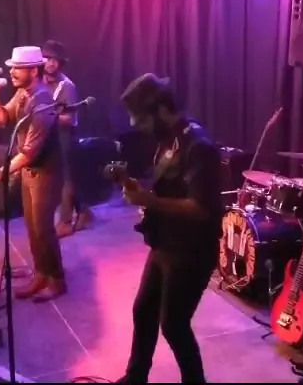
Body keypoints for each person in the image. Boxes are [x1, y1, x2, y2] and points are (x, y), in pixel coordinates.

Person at [115, 73, 222, 384]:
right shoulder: (167, 139)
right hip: (165, 242)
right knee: (143, 311)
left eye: (140, 118)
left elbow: (201, 208)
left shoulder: (198, 146)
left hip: (191, 250)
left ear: (161, 109)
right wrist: (140, 191)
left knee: (174, 325)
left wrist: (148, 199)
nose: (135, 124)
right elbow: (170, 190)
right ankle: (135, 377)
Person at [0, 46, 67, 301]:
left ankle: (57, 280)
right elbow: (1, 119)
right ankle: (41, 274)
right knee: (32, 227)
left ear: (34, 71)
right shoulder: (22, 93)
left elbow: (29, 152)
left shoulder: (42, 102)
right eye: (12, 67)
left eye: (18, 68)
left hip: (47, 173)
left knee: (43, 229)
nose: (12, 72)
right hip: (30, 171)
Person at [41, 40, 95, 238]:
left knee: (66, 179)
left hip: (65, 136)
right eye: (47, 58)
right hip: (49, 136)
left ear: (60, 63)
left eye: (55, 60)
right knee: (59, 177)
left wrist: (48, 117)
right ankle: (84, 211)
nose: (50, 63)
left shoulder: (67, 86)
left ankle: (65, 222)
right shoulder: (39, 81)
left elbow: (69, 119)